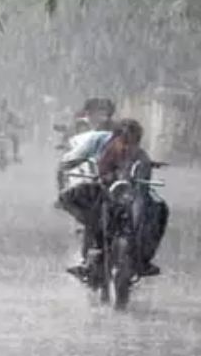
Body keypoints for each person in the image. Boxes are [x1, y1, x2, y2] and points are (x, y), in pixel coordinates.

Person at [57, 118, 166, 279]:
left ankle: (143, 258)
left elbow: (143, 186)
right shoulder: (104, 150)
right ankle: (86, 260)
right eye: (124, 140)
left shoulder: (141, 156)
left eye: (133, 141)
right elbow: (99, 172)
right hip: (106, 193)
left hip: (131, 196)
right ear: (115, 139)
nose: (127, 145)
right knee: (86, 211)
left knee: (159, 211)